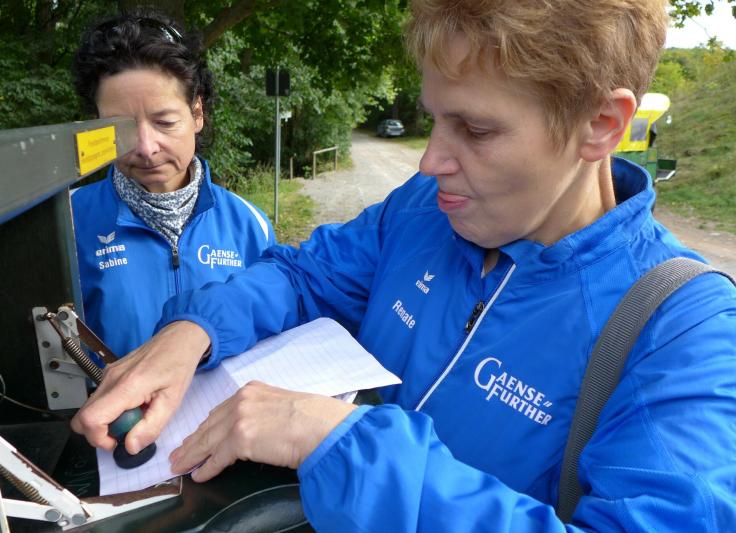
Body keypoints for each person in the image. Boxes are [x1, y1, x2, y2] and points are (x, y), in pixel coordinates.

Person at [72, 1, 736, 530]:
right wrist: (192, 332)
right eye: (432, 120)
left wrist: (339, 444)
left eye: (475, 130)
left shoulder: (683, 329)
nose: (430, 161)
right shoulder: (424, 211)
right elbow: (303, 275)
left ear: (602, 124)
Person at [70, 14, 275, 359]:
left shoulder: (250, 225)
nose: (145, 147)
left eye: (164, 122)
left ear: (197, 114)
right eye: (120, 128)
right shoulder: (68, 223)